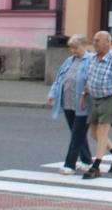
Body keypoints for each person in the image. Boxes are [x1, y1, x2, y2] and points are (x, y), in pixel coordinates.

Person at [80, 30, 112, 179]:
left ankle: (96, 167)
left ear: (107, 43)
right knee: (93, 133)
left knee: (102, 132)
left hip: (110, 98)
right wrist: (84, 95)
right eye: (94, 40)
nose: (94, 43)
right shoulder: (93, 58)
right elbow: (90, 79)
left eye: (97, 41)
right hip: (95, 98)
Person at [45, 34, 94, 174]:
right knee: (77, 133)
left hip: (83, 104)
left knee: (77, 134)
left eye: (75, 47)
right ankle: (86, 161)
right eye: (71, 48)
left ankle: (69, 164)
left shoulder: (91, 60)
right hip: (68, 102)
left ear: (84, 46)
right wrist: (52, 95)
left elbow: (92, 79)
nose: (73, 51)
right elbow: (59, 78)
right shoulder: (69, 61)